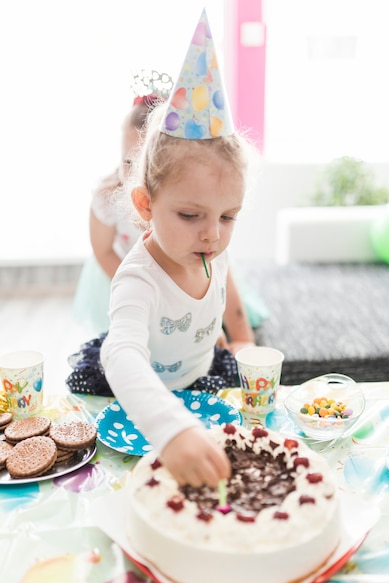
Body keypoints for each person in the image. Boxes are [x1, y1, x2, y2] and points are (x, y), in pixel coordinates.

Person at [98, 9, 258, 489]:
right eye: (191, 216)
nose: (213, 234)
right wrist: (170, 429)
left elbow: (226, 286)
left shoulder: (212, 247)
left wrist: (242, 335)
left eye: (228, 217)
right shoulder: (137, 278)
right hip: (147, 405)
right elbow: (122, 355)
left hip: (203, 376)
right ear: (146, 204)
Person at [72, 71, 173, 334]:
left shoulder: (178, 198)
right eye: (128, 162)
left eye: (149, 164)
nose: (138, 175)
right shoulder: (107, 197)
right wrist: (135, 287)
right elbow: (103, 250)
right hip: (121, 270)